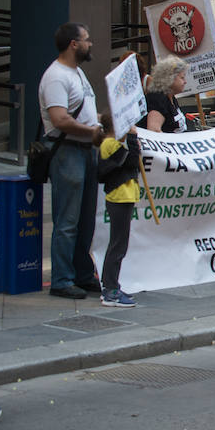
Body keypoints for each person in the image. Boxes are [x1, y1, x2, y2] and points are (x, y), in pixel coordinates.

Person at [38, 22, 103, 299]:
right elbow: (60, 119)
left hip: (87, 151)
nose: (91, 44)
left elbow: (85, 113)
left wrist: (102, 123)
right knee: (68, 220)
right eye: (87, 40)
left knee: (86, 219)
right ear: (73, 44)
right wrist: (92, 131)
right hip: (68, 153)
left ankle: (82, 274)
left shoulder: (78, 73)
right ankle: (62, 279)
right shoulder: (56, 77)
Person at [96, 113, 139, 307]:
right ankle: (110, 289)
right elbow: (131, 160)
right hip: (119, 198)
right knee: (117, 245)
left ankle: (112, 285)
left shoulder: (112, 143)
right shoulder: (109, 144)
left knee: (120, 244)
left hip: (125, 198)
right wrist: (132, 137)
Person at [143, 57, 188, 133]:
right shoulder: (158, 99)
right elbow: (154, 130)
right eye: (182, 78)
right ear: (169, 78)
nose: (185, 82)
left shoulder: (171, 97)